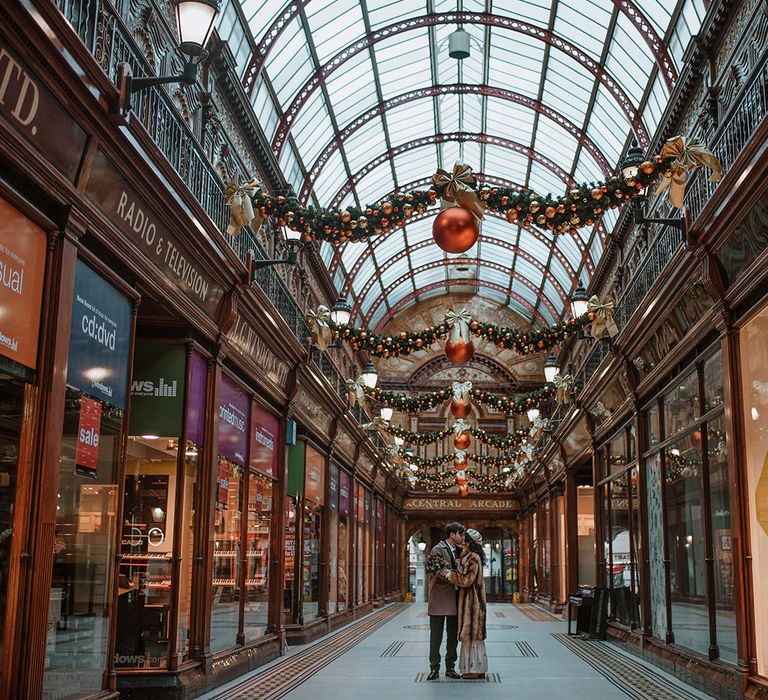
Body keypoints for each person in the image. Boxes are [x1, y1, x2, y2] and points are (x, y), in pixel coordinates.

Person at [442, 528, 487, 679]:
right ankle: (478, 669)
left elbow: (467, 580)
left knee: (471, 637)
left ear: (469, 543)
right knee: (473, 638)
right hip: (472, 603)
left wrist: (449, 574)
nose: (462, 540)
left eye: (465, 538)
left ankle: (472, 670)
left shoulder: (473, 558)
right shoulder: (469, 556)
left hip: (472, 604)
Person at [426, 522, 465, 680]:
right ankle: (434, 668)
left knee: (452, 635)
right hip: (440, 597)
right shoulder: (438, 549)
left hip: (456, 598)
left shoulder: (461, 551)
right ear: (452, 534)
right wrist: (452, 576)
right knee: (436, 635)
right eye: (460, 535)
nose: (462, 538)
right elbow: (433, 567)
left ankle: (450, 667)